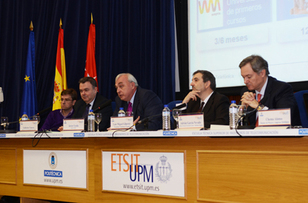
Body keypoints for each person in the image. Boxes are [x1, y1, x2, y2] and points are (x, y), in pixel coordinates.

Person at [239, 55, 301, 126]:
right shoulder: (246, 91)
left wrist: (258, 107)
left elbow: (284, 118)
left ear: (262, 73)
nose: (245, 81)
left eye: (249, 77)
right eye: (243, 77)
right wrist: (242, 109)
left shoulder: (282, 89)